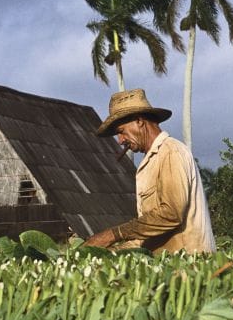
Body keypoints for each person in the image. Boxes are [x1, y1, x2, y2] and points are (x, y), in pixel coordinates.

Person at [84, 88, 215, 254]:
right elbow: (146, 233)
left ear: (139, 121)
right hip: (165, 266)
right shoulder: (149, 163)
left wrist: (113, 235)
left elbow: (171, 213)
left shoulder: (170, 151)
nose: (120, 141)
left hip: (188, 266)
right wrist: (112, 252)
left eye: (121, 132)